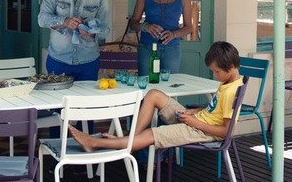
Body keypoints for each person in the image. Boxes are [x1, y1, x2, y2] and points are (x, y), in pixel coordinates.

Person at [69, 41, 243, 152]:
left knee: (151, 133)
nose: (215, 75)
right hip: (196, 120)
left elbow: (226, 132)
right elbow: (215, 109)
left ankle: (95, 143)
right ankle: (129, 140)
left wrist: (194, 122)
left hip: (201, 131)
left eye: (217, 72)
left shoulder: (231, 92)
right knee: (153, 94)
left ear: (231, 66)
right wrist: (192, 112)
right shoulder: (228, 83)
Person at [38, 0, 110, 80]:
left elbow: (105, 30)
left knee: (87, 95)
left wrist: (91, 32)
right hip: (59, 61)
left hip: (88, 62)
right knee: (58, 95)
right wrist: (65, 21)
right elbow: (42, 19)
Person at [128, 0, 194, 76]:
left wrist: (174, 34)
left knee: (169, 85)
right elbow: (133, 23)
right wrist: (145, 27)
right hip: (146, 47)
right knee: (146, 84)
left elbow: (189, 27)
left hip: (171, 49)